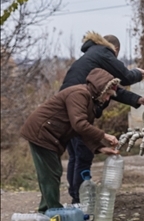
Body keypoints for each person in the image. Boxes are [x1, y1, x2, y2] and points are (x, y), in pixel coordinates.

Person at [61, 32, 144, 203]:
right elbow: (125, 77)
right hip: (78, 108)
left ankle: (75, 196)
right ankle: (80, 201)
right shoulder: (104, 53)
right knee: (84, 155)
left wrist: (137, 99)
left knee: (75, 155)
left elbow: (110, 90)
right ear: (115, 50)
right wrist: (137, 73)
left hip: (66, 109)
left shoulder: (91, 55)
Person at [20, 68, 122, 212]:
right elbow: (79, 124)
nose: (107, 99)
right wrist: (105, 135)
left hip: (49, 134)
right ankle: (53, 210)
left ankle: (46, 209)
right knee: (51, 173)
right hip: (42, 132)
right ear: (100, 89)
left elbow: (83, 131)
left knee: (50, 173)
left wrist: (100, 148)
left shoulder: (89, 100)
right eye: (107, 94)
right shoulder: (79, 94)